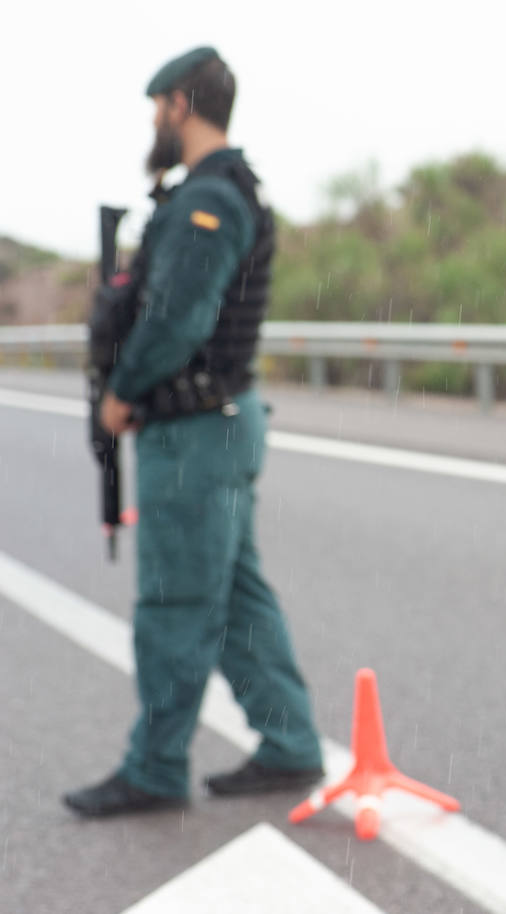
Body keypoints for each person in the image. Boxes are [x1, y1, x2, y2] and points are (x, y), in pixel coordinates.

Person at [64, 47, 324, 817]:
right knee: (236, 597)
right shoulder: (226, 189)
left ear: (181, 104)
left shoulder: (210, 197)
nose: (154, 121)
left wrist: (122, 392)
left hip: (194, 432)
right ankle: (290, 745)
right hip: (219, 424)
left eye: (158, 107)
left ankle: (154, 767)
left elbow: (178, 316)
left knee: (174, 602)